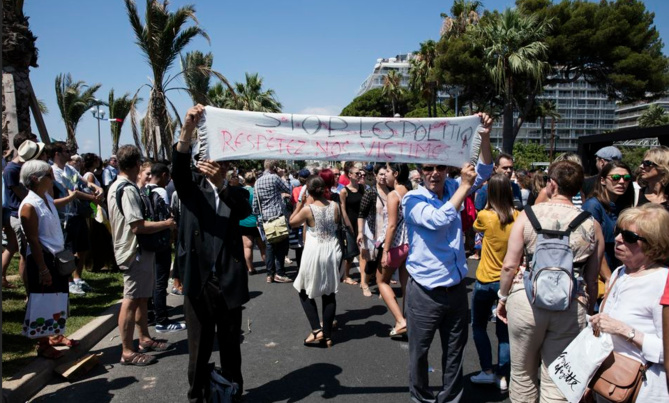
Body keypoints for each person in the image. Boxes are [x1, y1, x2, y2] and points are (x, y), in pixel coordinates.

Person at [401, 112, 494, 403]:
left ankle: (450, 398)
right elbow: (439, 220)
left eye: (440, 167)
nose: (434, 173)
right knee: (419, 353)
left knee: (455, 352)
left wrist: (485, 135)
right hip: (425, 292)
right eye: (427, 168)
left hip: (455, 289)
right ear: (420, 171)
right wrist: (465, 186)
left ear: (446, 169)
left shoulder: (453, 186)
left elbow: (486, 169)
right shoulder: (412, 199)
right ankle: (422, 398)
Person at [496, 160, 605, 402]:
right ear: (577, 190)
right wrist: (586, 308)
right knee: (558, 376)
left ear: (551, 184)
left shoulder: (528, 215)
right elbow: (592, 276)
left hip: (527, 298)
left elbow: (509, 265)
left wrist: (502, 298)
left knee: (522, 373)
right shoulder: (591, 223)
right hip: (571, 301)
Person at [173, 105, 252, 402]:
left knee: (231, 345)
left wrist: (222, 187)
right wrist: (187, 129)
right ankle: (197, 396)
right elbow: (177, 167)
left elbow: (244, 212)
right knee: (199, 347)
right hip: (200, 282)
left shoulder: (235, 192)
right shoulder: (189, 188)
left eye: (222, 162)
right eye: (210, 160)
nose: (215, 165)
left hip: (229, 282)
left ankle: (232, 392)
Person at [590, 204, 669, 401]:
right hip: (608, 383)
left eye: (629, 237)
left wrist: (626, 331)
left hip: (643, 390)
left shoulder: (662, 282)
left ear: (654, 245)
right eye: (618, 232)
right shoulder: (620, 273)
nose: (617, 239)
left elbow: (665, 352)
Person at [108, 145, 176, 367]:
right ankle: (127, 350)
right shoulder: (127, 189)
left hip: (134, 250)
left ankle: (144, 338)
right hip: (133, 251)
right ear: (137, 164)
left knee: (141, 298)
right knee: (131, 299)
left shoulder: (117, 186)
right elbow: (137, 226)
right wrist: (166, 224)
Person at [19, 160, 77, 358]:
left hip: (56, 256)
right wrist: (43, 269)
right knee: (43, 299)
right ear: (35, 178)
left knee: (58, 297)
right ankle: (43, 344)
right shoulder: (29, 205)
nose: (53, 177)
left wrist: (72, 197)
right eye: (49, 174)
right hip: (42, 258)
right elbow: (33, 241)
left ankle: (56, 335)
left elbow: (56, 205)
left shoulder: (45, 197)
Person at [469, 174, 518, 391]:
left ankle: (487, 370)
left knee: (479, 325)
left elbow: (474, 229)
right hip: (508, 282)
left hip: (485, 279)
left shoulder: (485, 216)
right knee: (504, 332)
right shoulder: (519, 216)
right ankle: (502, 376)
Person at [289, 176, 342, 348]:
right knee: (329, 293)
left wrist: (300, 203)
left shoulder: (307, 209)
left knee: (303, 289)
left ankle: (316, 331)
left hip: (316, 251)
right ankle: (326, 335)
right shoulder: (335, 206)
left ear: (309, 192)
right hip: (333, 250)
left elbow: (292, 222)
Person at [46, 141, 104, 295]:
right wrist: (92, 198)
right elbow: (71, 192)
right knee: (68, 250)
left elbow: (84, 182)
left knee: (82, 247)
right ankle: (69, 281)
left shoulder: (70, 168)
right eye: (65, 151)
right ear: (57, 154)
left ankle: (78, 278)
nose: (69, 153)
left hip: (77, 213)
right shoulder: (54, 171)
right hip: (64, 217)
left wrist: (97, 188)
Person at [582, 161, 635, 301]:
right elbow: (594, 246)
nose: (622, 182)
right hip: (598, 274)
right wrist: (608, 277)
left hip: (618, 270)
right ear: (603, 180)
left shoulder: (622, 206)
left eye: (627, 178)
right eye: (616, 177)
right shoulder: (593, 206)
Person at [144, 162, 186, 333]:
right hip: (161, 241)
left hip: (147, 241)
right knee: (160, 282)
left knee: (151, 279)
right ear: (162, 175)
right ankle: (162, 319)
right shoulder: (161, 192)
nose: (168, 181)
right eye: (167, 177)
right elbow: (168, 218)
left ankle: (150, 313)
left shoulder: (144, 189)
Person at [3, 133, 40, 289]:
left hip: (26, 214)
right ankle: (29, 292)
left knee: (16, 248)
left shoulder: (24, 166)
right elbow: (22, 194)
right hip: (18, 215)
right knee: (25, 254)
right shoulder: (11, 169)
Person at [379, 163, 411, 338]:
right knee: (406, 285)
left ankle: (400, 321)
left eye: (388, 172)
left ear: (396, 174)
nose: (385, 175)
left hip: (396, 244)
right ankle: (407, 320)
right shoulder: (410, 192)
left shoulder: (393, 195)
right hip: (409, 244)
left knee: (382, 281)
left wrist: (385, 250)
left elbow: (391, 225)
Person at [252, 159, 293, 284]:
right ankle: (279, 273)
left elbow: (255, 205)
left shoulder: (257, 182)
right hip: (278, 217)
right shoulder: (275, 178)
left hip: (265, 219)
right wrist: (282, 176)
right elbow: (288, 189)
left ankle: (270, 273)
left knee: (269, 246)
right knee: (281, 245)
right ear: (274, 167)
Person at [357, 163, 393, 298]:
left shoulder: (392, 191)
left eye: (386, 174)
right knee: (371, 260)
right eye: (381, 174)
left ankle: (382, 286)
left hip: (388, 231)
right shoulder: (371, 192)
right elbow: (362, 214)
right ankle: (365, 283)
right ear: (375, 176)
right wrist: (360, 232)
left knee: (385, 261)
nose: (383, 177)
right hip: (373, 232)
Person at [340, 164, 365, 285]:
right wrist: (348, 225)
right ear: (350, 175)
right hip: (350, 222)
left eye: (360, 173)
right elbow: (343, 210)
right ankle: (346, 275)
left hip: (361, 223)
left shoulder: (362, 188)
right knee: (350, 252)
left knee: (363, 250)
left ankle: (364, 277)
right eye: (357, 173)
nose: (359, 175)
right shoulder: (344, 191)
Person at [240, 172, 267, 275]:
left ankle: (251, 269)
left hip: (243, 222)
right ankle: (269, 268)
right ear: (254, 180)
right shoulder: (255, 191)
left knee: (247, 247)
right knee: (262, 246)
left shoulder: (240, 191)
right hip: (256, 222)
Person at [636, 146, 669, 211]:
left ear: (662, 167)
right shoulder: (636, 193)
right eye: (642, 163)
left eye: (647, 163)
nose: (641, 166)